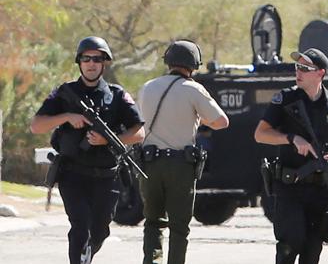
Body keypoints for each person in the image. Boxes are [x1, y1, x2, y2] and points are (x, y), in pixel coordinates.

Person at [30, 36, 145, 264]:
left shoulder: (117, 95)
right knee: (80, 226)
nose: (91, 63)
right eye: (86, 58)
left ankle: (86, 256)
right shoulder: (65, 93)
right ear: (79, 62)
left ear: (104, 63)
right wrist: (67, 116)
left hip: (106, 177)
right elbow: (36, 125)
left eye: (97, 59)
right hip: (73, 174)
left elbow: (139, 132)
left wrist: (108, 140)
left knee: (100, 231)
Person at [254, 48, 328, 264]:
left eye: (305, 68)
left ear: (320, 73)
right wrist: (291, 138)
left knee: (312, 251)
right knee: (289, 244)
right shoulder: (285, 99)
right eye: (297, 67)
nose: (298, 72)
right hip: (290, 186)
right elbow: (260, 134)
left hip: (320, 190)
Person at [137, 40, 229, 264]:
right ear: (194, 65)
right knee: (179, 227)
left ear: (168, 62)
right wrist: (199, 116)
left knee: (153, 223)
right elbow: (221, 122)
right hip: (179, 166)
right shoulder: (193, 89)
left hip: (148, 163)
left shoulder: (147, 87)